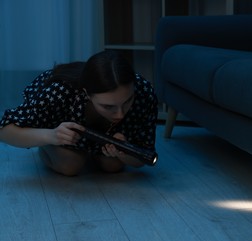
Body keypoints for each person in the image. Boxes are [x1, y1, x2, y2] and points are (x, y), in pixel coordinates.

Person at [0, 50, 158, 176]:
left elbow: (143, 156)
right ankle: (46, 147)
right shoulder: (60, 92)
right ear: (87, 94)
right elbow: (4, 130)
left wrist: (125, 152)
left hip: (101, 144)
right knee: (71, 165)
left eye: (127, 101)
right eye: (108, 106)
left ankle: (95, 153)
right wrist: (51, 135)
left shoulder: (143, 91)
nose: (120, 115)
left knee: (113, 165)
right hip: (56, 127)